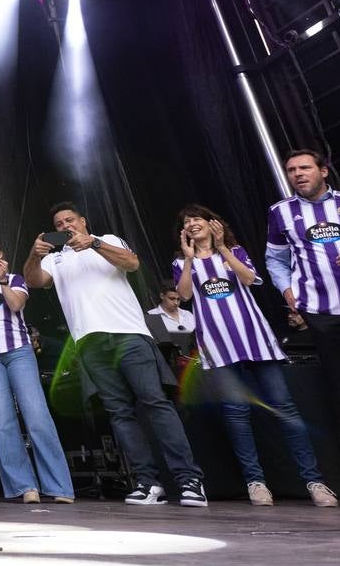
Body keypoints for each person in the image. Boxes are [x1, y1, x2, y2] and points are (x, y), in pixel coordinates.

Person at [25, 201, 206, 506]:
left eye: (70, 220)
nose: (65, 226)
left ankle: (189, 479)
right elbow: (33, 281)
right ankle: (147, 482)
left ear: (83, 221)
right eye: (59, 224)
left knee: (156, 403)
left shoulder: (107, 240)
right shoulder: (55, 260)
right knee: (119, 413)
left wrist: (93, 243)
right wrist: (34, 253)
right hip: (89, 342)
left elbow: (132, 263)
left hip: (129, 335)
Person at [176, 204, 336, 507]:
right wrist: (187, 260)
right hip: (220, 347)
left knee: (284, 407)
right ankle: (255, 482)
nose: (192, 223)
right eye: (186, 221)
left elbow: (249, 279)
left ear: (213, 224)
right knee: (237, 414)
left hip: (256, 340)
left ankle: (314, 481)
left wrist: (222, 248)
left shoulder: (235, 251)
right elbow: (184, 295)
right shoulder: (182, 262)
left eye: (197, 218)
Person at [265, 149, 340, 507]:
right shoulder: (281, 212)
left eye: (305, 167)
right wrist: (287, 289)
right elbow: (275, 259)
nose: (298, 174)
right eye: (291, 170)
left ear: (323, 170)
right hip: (324, 312)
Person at [0, 240, 72, 505]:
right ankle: (25, 487)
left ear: (1, 255)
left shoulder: (15, 278)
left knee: (36, 416)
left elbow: (15, 305)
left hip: (18, 352)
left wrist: (1, 282)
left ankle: (59, 487)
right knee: (1, 422)